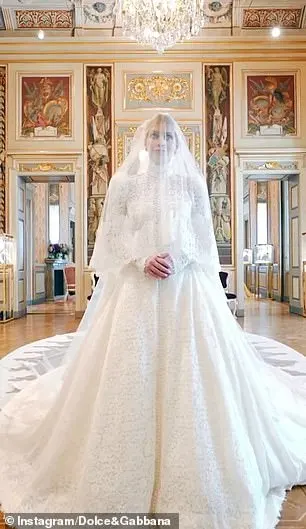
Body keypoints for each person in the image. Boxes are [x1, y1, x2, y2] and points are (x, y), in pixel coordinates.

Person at [0, 113, 305, 529]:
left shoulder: (192, 183)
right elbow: (111, 235)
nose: (161, 142)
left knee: (195, 373)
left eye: (167, 136)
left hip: (185, 290)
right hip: (136, 289)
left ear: (177, 142)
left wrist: (178, 258)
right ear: (143, 140)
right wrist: (141, 259)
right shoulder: (124, 184)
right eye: (154, 135)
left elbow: (203, 235)